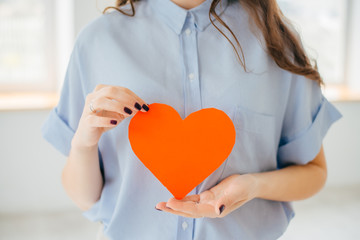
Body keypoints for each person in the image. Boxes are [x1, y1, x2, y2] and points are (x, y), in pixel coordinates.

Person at [41, 0, 343, 239]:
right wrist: (84, 141)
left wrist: (252, 185)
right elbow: (84, 199)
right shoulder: (97, 41)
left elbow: (313, 173)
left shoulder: (276, 41)